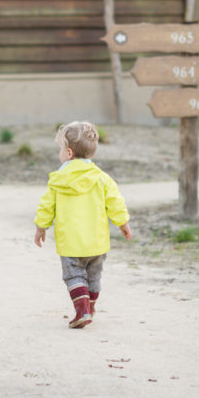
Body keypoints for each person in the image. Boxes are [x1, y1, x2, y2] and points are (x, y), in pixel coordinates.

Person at [33, 120, 132, 329]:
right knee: (93, 275)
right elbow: (115, 201)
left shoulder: (58, 180)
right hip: (96, 242)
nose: (59, 153)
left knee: (74, 275)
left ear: (69, 153)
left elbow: (46, 205)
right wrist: (123, 223)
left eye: (60, 149)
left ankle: (82, 309)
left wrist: (41, 227)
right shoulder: (102, 178)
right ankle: (90, 307)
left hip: (71, 242)